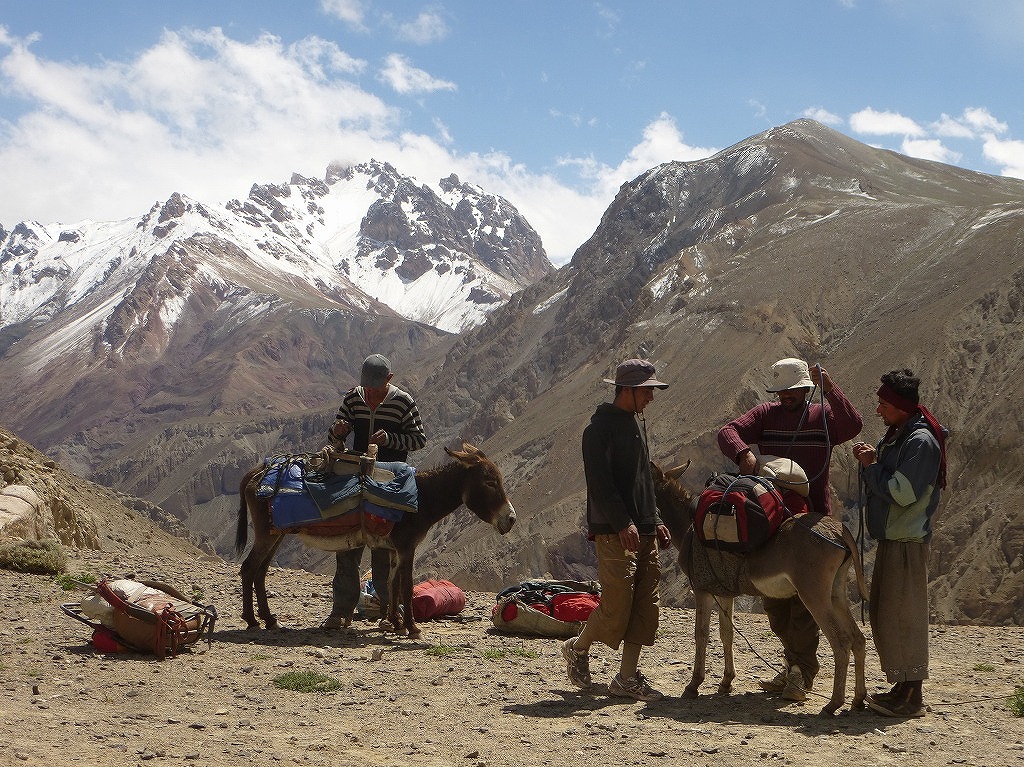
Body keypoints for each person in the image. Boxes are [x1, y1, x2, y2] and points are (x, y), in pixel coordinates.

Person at [717, 357, 862, 700]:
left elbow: (853, 424)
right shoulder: (766, 414)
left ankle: (801, 672)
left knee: (806, 604)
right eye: (781, 392)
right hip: (770, 521)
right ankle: (793, 664)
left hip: (811, 520)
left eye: (792, 391)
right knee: (775, 604)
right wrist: (743, 454)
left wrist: (831, 388)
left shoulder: (823, 416)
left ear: (806, 390)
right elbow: (728, 431)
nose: (786, 397)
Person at [561, 358, 673, 701]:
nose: (651, 398)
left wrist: (655, 518)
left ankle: (626, 678)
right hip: (614, 531)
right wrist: (623, 522)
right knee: (616, 604)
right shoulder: (597, 431)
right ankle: (578, 647)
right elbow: (601, 483)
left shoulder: (635, 424)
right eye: (647, 391)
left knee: (645, 603)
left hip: (644, 528)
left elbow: (644, 480)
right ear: (627, 390)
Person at [854, 368, 946, 718]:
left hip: (907, 539)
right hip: (895, 538)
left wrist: (872, 466)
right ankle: (903, 685)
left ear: (900, 406)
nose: (878, 411)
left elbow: (902, 493)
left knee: (904, 616)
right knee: (889, 614)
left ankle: (911, 696)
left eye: (883, 404)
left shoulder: (920, 442)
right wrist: (873, 464)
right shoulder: (903, 434)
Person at [322, 354, 427, 628]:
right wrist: (339, 430)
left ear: (389, 380)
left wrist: (391, 438)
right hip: (355, 477)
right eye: (366, 388)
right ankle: (341, 611)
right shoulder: (353, 398)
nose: (369, 394)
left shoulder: (403, 402)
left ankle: (388, 610)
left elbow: (419, 439)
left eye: (375, 389)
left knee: (383, 545)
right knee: (349, 542)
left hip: (388, 481)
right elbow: (334, 437)